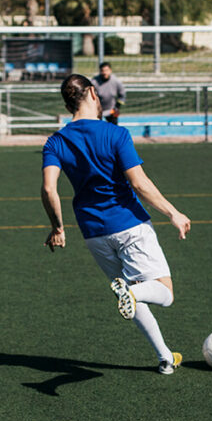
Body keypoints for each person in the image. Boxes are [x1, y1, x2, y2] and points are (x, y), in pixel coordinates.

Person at [41, 74, 192, 375]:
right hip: (129, 224)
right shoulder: (116, 134)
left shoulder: (55, 142)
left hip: (93, 234)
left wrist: (58, 228)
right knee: (163, 293)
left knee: (128, 290)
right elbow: (140, 183)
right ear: (94, 95)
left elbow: (48, 189)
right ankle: (133, 294)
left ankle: (165, 358)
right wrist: (173, 213)